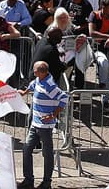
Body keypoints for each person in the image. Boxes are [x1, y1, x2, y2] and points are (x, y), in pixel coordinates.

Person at [19, 60, 67, 189]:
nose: (33, 72)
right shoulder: (39, 80)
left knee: (47, 154)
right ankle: (28, 179)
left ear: (40, 72)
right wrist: (25, 92)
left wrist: (53, 115)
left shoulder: (50, 85)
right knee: (26, 149)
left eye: (34, 70)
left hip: (45, 126)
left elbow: (64, 98)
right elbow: (33, 85)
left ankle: (46, 182)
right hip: (35, 124)